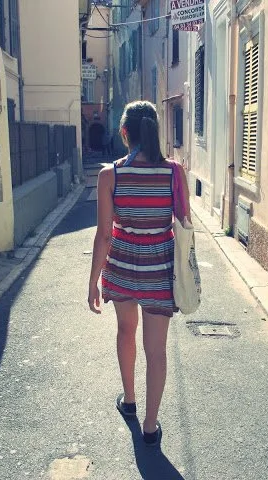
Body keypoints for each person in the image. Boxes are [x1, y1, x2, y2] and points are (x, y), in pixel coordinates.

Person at [87, 100, 190, 447]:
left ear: (124, 133)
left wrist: (93, 281)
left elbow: (104, 235)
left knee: (125, 331)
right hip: (160, 270)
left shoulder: (109, 175)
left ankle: (129, 400)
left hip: (121, 267)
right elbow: (185, 224)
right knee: (156, 350)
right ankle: (149, 425)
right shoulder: (173, 172)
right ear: (154, 132)